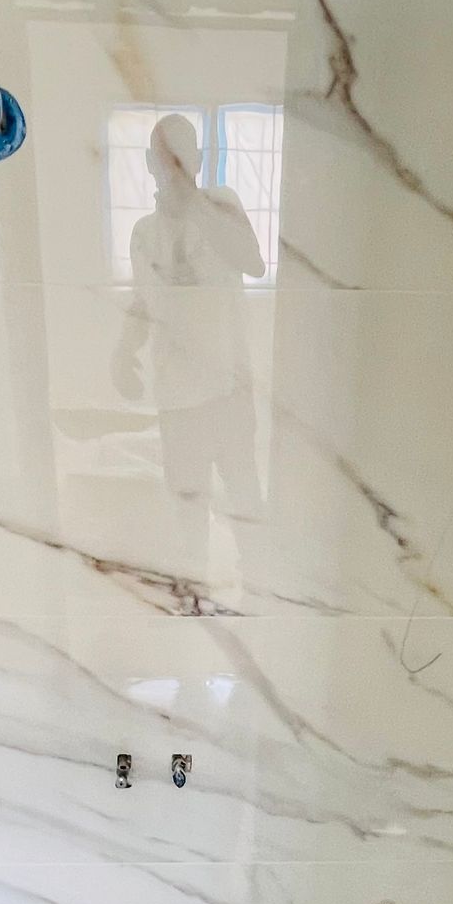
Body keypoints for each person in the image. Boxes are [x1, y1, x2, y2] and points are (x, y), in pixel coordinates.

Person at [115, 113, 266, 570]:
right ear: (149, 163)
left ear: (198, 159)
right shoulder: (144, 234)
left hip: (229, 391)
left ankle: (261, 591)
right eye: (165, 158)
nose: (174, 168)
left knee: (245, 504)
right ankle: (194, 595)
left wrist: (193, 204)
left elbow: (253, 262)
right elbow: (143, 299)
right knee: (188, 517)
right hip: (177, 398)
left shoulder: (222, 205)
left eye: (183, 157)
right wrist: (123, 350)